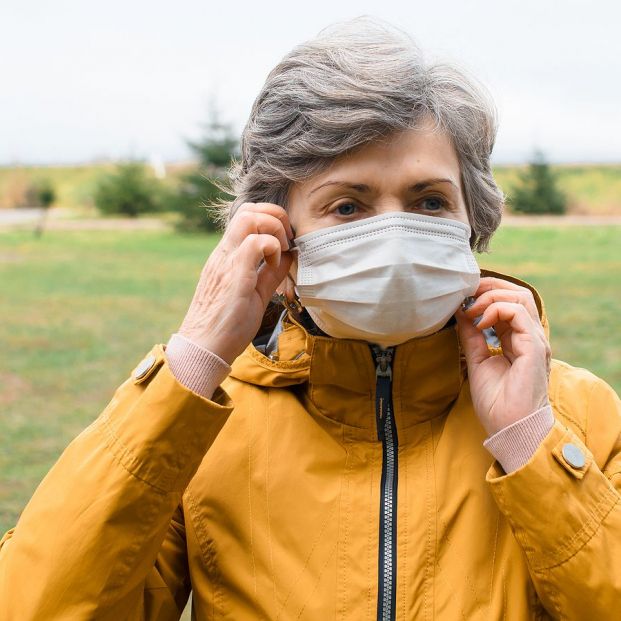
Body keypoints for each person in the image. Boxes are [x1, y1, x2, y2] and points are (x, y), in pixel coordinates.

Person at [1, 16, 620, 621]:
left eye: (429, 201)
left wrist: (529, 445)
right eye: (348, 206)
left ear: (472, 222)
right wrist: (191, 366)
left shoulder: (577, 417)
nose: (394, 238)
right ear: (278, 233)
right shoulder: (200, 426)